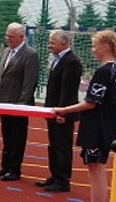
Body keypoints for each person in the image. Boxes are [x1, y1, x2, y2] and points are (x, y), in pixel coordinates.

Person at [54, 30, 116, 202]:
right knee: (97, 168)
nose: (93, 50)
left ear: (105, 47)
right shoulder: (114, 69)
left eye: (94, 46)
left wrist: (65, 109)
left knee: (96, 169)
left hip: (97, 127)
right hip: (106, 125)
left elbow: (91, 102)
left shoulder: (104, 71)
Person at [0, 22, 39, 181]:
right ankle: (5, 167)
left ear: (22, 37)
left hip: (18, 105)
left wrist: (21, 105)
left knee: (17, 138)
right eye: (7, 36)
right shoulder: (6, 52)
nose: (8, 39)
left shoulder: (30, 54)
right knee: (7, 136)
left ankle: (15, 169)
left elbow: (29, 83)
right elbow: (1, 77)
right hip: (4, 102)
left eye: (11, 36)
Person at [36, 30, 83, 193]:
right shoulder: (57, 60)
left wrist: (62, 113)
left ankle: (63, 180)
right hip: (53, 110)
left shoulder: (72, 61)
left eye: (53, 42)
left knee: (62, 146)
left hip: (62, 113)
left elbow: (68, 91)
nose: (50, 45)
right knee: (53, 145)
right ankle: (54, 175)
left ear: (64, 43)